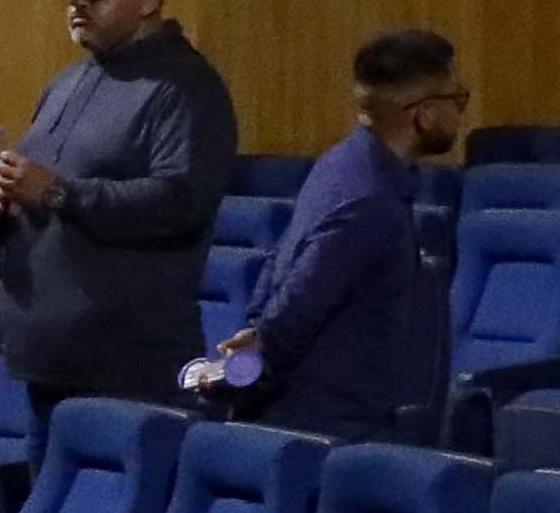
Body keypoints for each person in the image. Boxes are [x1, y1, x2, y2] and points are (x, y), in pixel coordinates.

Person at [0, 0, 234, 410]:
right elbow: (43, 198)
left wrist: (58, 193)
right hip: (48, 358)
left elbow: (181, 202)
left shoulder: (185, 87)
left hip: (128, 365)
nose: (78, 4)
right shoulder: (68, 81)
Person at [194, 27, 464, 448]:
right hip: (329, 433)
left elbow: (281, 264)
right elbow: (303, 299)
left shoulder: (338, 165)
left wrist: (258, 330)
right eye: (456, 99)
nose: (460, 113)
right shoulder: (371, 200)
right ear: (423, 113)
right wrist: (259, 351)